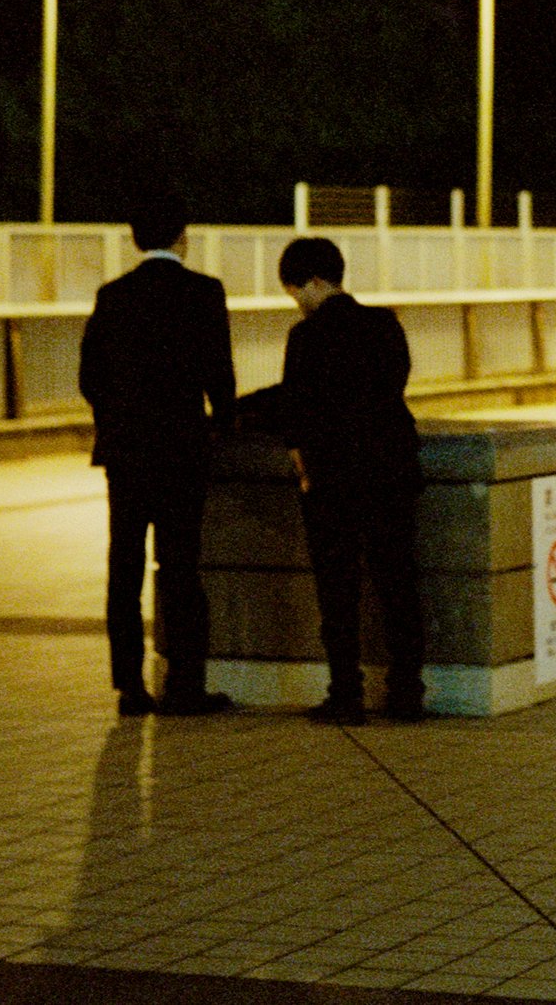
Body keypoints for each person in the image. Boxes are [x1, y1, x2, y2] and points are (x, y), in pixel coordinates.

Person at [249, 237, 427, 726]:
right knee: (398, 584)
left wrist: (236, 414)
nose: (297, 303)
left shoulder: (305, 337)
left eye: (294, 291)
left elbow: (294, 406)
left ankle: (346, 695)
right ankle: (407, 693)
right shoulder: (385, 325)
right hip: (392, 469)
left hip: (334, 480)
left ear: (313, 282)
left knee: (338, 590)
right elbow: (395, 385)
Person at [77, 194, 236, 718]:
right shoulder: (204, 293)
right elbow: (220, 375)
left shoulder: (112, 296)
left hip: (125, 453)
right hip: (183, 450)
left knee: (123, 566)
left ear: (135, 239)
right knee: (180, 568)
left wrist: (116, 420)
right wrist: (224, 426)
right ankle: (185, 684)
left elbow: (89, 378)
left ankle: (130, 687)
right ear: (182, 238)